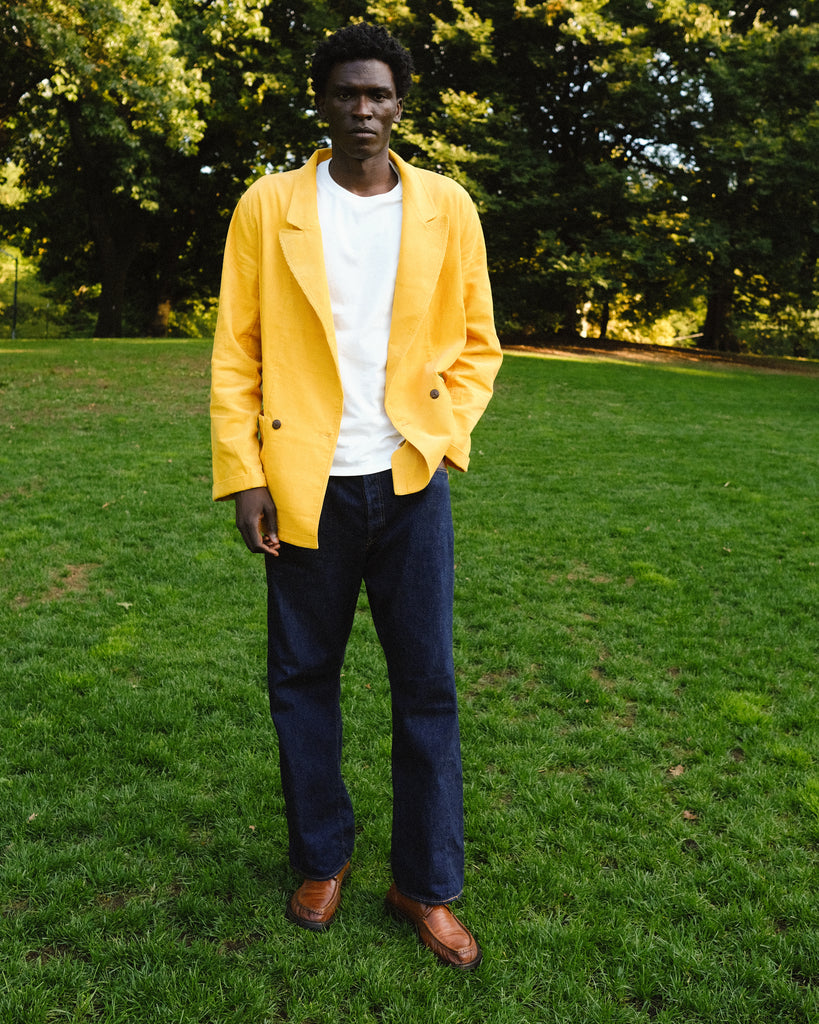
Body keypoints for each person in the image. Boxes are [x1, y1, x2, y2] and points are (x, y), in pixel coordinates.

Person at [210, 22, 502, 970]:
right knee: (301, 682)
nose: (363, 109)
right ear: (322, 103)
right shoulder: (268, 206)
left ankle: (424, 883)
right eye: (346, 93)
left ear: (401, 104)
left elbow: (477, 343)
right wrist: (245, 472)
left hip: (410, 483)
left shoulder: (446, 206)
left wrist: (444, 433)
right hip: (304, 489)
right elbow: (237, 351)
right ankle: (321, 857)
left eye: (378, 94)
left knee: (428, 689)